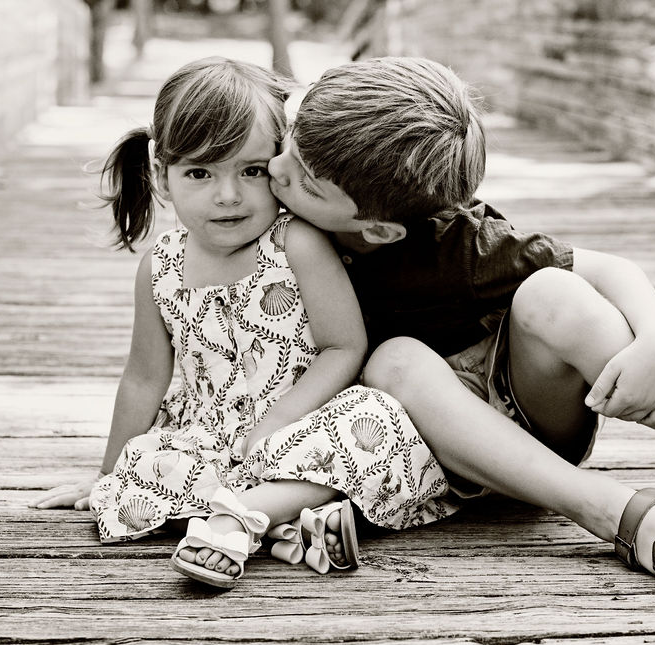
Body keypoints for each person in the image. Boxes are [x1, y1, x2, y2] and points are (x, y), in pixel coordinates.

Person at [265, 56, 655, 583]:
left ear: (378, 230)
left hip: (524, 411)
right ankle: (611, 510)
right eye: (290, 139)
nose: (275, 168)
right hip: (411, 446)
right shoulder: (258, 212)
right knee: (396, 359)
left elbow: (610, 268)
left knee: (554, 290)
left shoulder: (461, 244)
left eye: (307, 180)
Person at [29, 57, 456, 589]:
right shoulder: (159, 267)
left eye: (251, 171)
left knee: (375, 418)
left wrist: (278, 421)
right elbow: (143, 377)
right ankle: (288, 527)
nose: (227, 195)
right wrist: (106, 473)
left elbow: (344, 347)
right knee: (149, 469)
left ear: (278, 164)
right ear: (163, 177)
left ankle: (238, 521)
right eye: (200, 173)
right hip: (210, 435)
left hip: (303, 421)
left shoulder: (295, 243)